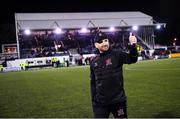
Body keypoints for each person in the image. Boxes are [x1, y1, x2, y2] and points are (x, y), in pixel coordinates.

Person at [90, 31, 138, 118]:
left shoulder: (117, 54)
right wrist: (94, 101)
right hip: (101, 103)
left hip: (118, 101)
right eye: (101, 42)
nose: (104, 43)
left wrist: (133, 45)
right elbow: (93, 83)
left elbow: (132, 59)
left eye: (106, 40)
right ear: (96, 45)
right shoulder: (94, 62)